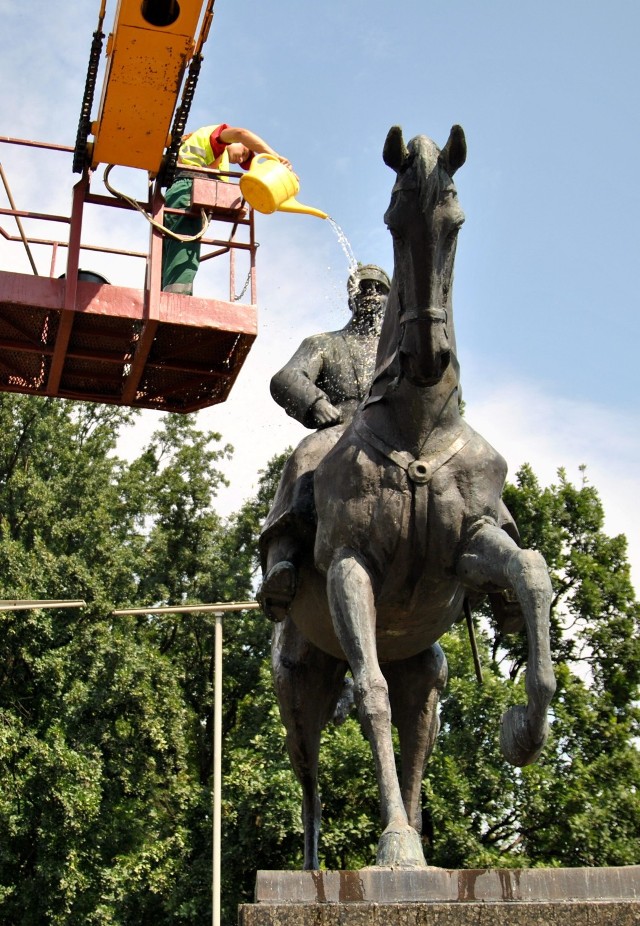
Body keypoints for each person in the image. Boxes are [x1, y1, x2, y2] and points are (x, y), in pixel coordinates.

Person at [258, 264, 391, 620]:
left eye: (379, 288)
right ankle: (283, 558)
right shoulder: (324, 344)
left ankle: (495, 547)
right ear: (351, 296)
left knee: (469, 466)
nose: (371, 295)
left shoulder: (402, 350)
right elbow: (287, 377)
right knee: (306, 456)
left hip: (397, 438)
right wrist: (316, 403)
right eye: (364, 288)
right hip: (342, 430)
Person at [162, 124, 293, 294]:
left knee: (171, 250)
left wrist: (235, 208)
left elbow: (210, 185)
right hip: (188, 191)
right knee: (185, 249)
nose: (240, 160)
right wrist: (275, 158)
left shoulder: (215, 161)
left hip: (182, 193)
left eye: (243, 161)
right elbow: (241, 133)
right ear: (233, 142)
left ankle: (165, 297)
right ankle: (177, 301)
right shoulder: (215, 140)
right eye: (244, 153)